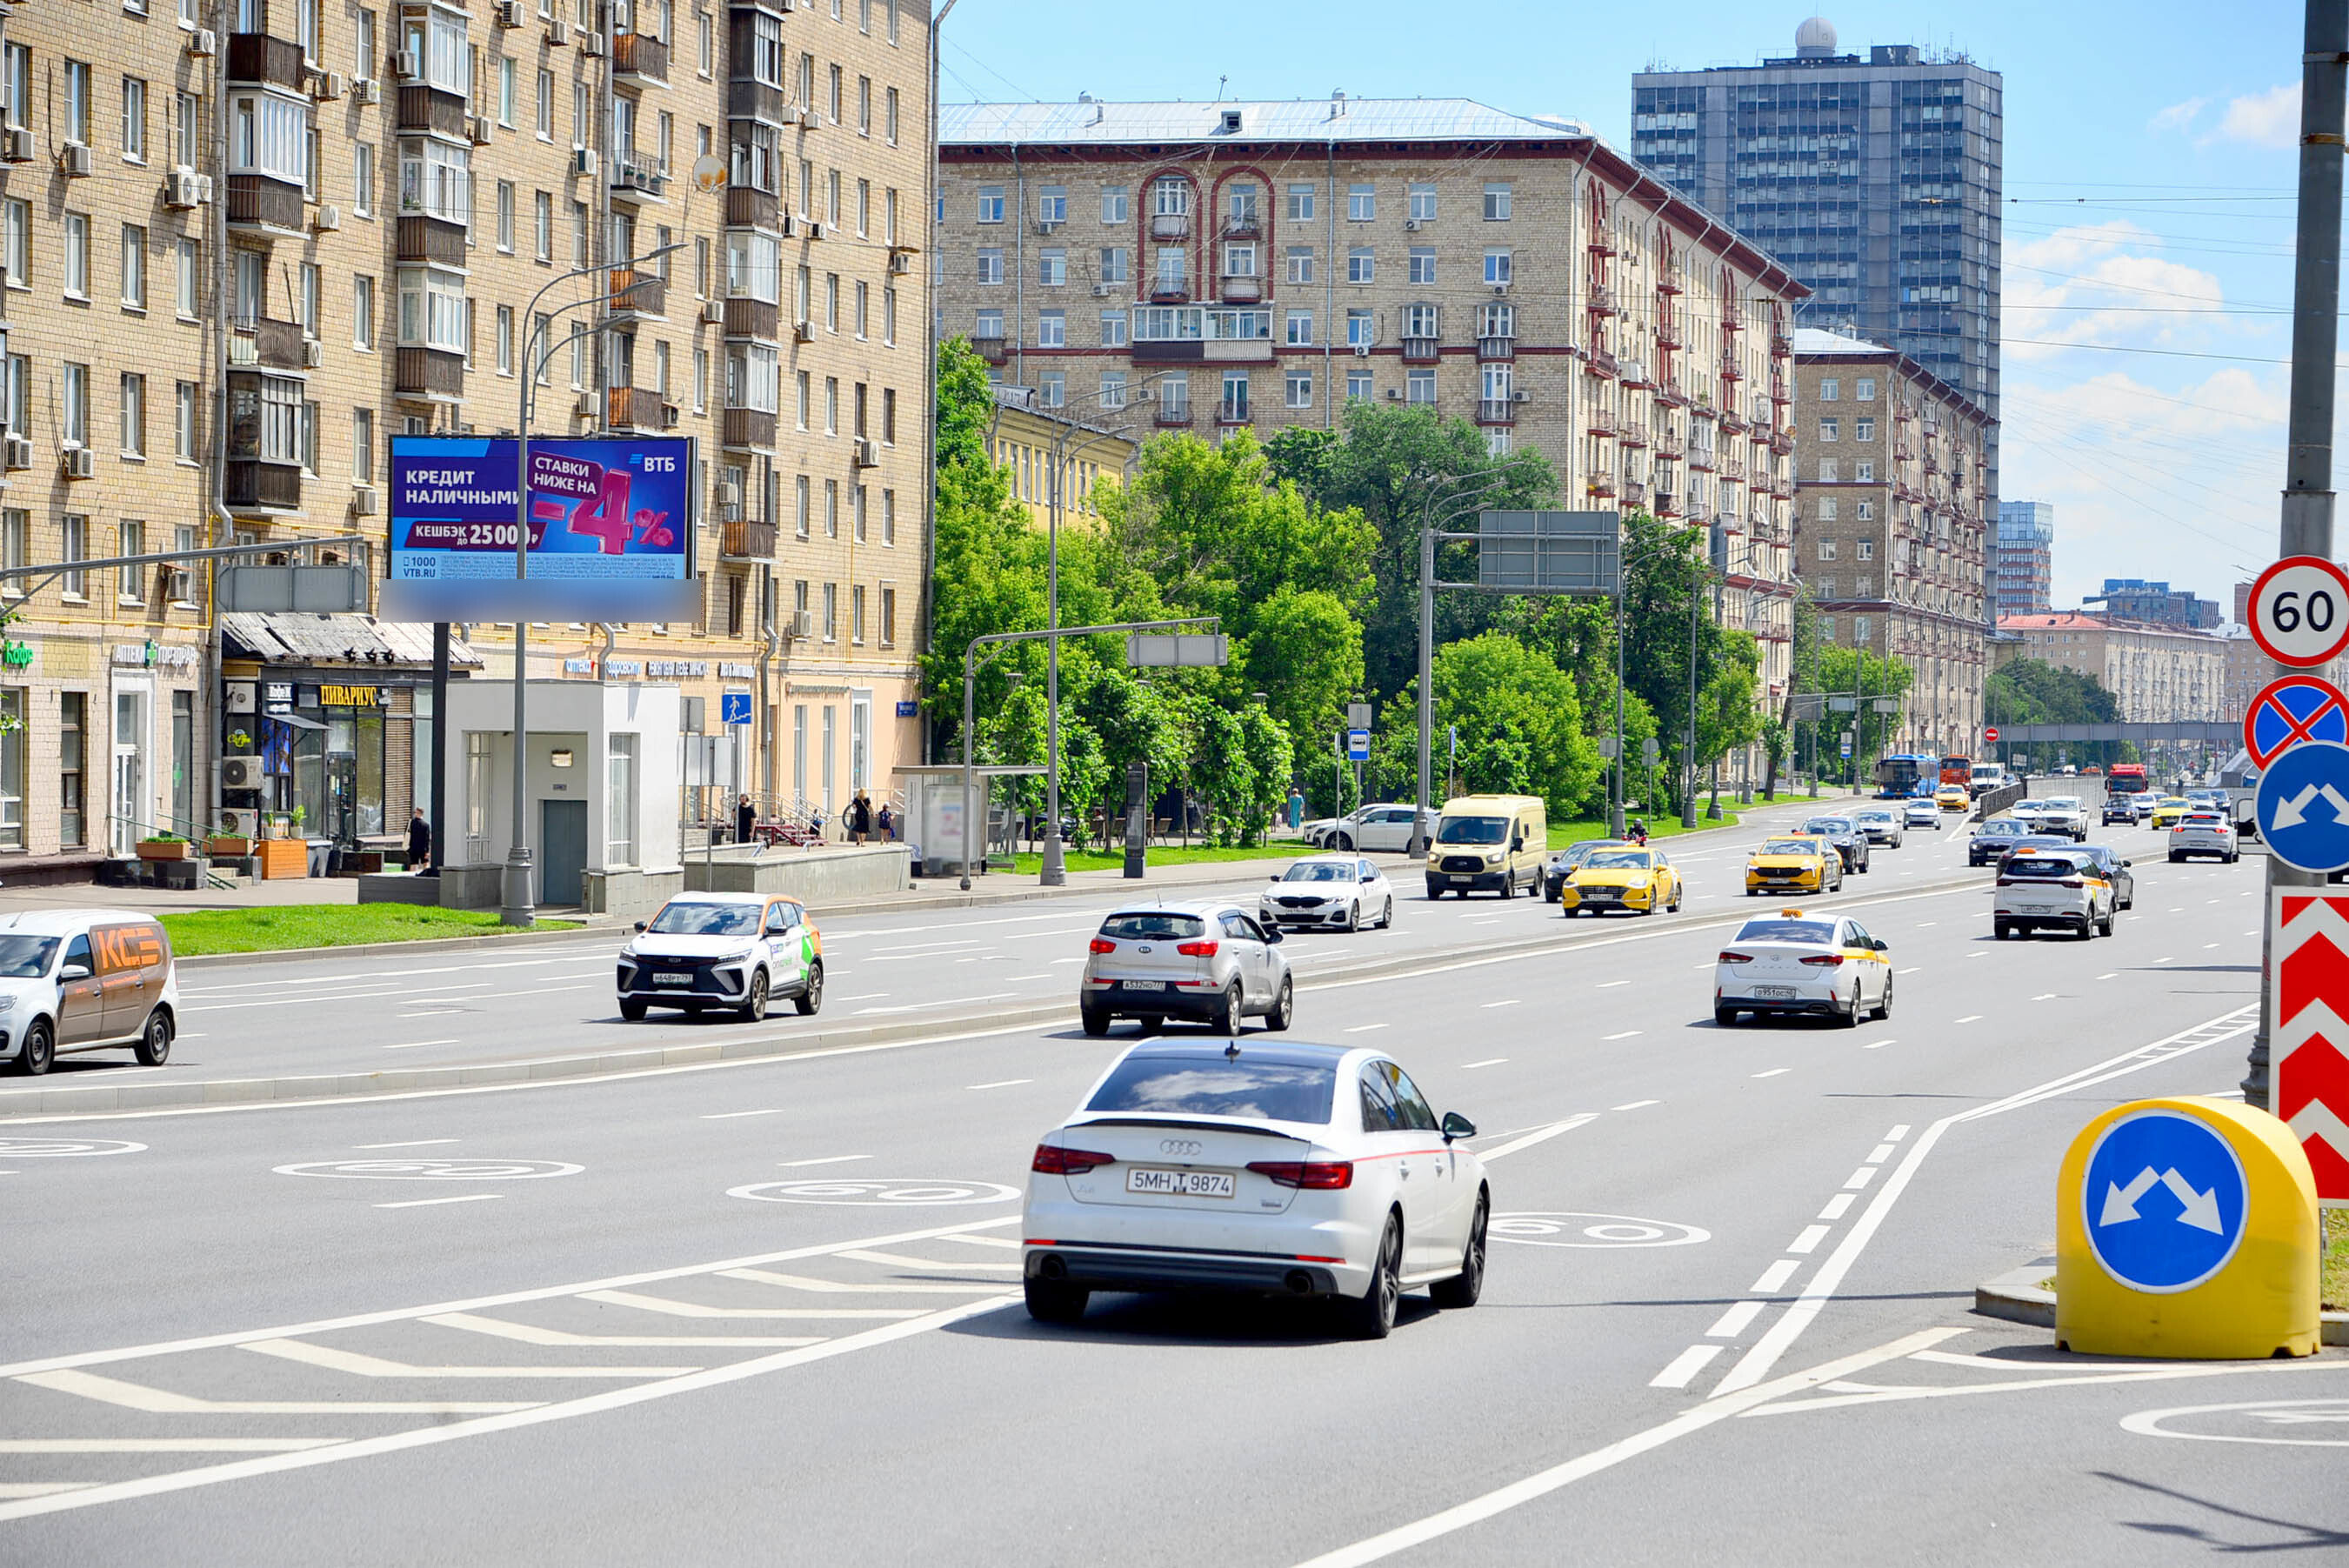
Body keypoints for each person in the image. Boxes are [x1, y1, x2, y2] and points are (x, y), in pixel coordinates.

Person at [406, 807, 432, 874]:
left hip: (413, 847)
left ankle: (411, 879)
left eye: (415, 812)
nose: (414, 814)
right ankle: (426, 876)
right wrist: (427, 851)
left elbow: (407, 835)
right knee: (425, 864)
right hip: (422, 848)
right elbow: (427, 839)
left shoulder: (411, 823)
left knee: (413, 864)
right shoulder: (426, 825)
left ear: (418, 813)